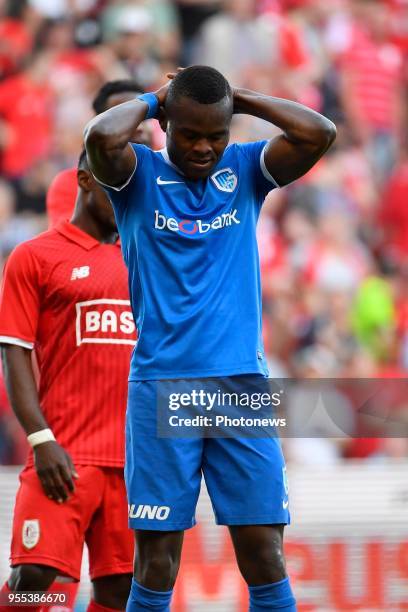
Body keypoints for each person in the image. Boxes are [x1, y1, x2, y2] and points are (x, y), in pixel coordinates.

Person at [85, 64, 336, 611]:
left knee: (264, 553)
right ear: (169, 127)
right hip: (162, 386)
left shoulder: (245, 169)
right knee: (155, 561)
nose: (203, 147)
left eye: (215, 135)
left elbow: (320, 133)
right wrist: (157, 99)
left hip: (240, 386)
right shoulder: (137, 178)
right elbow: (102, 136)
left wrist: (239, 97)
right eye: (191, 133)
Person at [0, 151, 137, 612]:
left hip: (134, 462)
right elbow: (14, 352)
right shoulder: (36, 256)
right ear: (84, 180)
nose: (123, 196)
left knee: (120, 591)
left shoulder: (145, 261)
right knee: (32, 578)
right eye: (113, 184)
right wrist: (41, 439)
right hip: (65, 453)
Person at [47, 79, 153, 227]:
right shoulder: (72, 183)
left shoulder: (172, 179)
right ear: (99, 127)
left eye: (144, 118)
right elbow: (68, 244)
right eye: (124, 120)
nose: (140, 127)